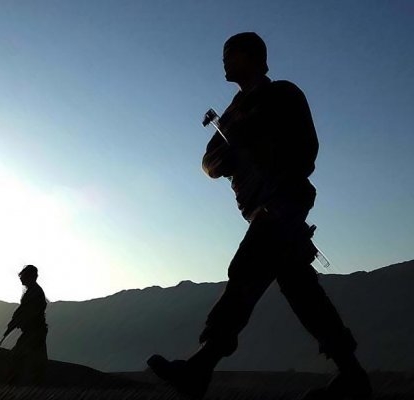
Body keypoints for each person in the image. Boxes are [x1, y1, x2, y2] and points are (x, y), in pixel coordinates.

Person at [147, 32, 372, 400]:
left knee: (245, 271)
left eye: (230, 53)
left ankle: (201, 367)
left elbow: (307, 150)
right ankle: (353, 377)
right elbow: (209, 161)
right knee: (300, 289)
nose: (224, 61)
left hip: (282, 202)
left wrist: (262, 149)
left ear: (253, 57)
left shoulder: (282, 94)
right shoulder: (231, 113)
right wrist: (228, 155)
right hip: (259, 209)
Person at [0, 264, 48, 385]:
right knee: (36, 359)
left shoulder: (34, 292)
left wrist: (17, 321)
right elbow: (23, 311)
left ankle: (16, 383)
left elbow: (29, 312)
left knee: (19, 355)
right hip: (35, 331)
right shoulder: (33, 291)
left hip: (34, 332)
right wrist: (15, 321)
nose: (21, 279)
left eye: (23, 276)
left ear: (30, 277)